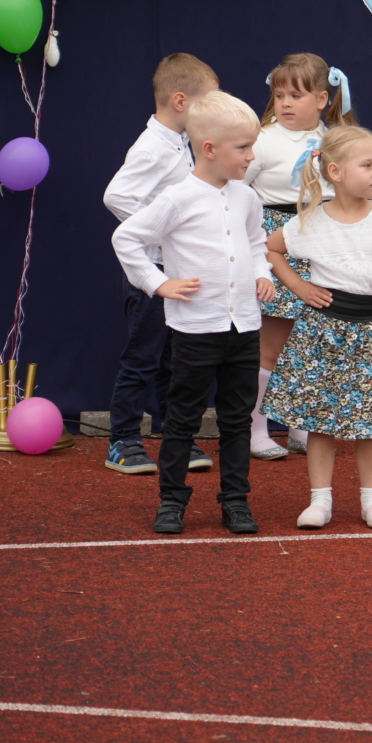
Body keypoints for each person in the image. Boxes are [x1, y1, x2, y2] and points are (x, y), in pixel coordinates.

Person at [111, 91, 276, 536]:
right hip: (195, 329)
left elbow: (256, 243)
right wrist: (157, 283)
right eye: (243, 147)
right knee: (183, 418)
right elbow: (126, 238)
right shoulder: (178, 197)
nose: (251, 156)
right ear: (209, 149)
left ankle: (235, 501)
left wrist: (263, 273)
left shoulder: (247, 198)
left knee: (237, 418)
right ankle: (172, 501)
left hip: (244, 326)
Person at [263, 126, 372, 530]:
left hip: (369, 334)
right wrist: (299, 286)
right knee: (320, 422)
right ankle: (319, 500)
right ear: (335, 172)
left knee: (369, 424)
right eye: (367, 165)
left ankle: (371, 500)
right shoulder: (310, 222)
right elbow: (271, 248)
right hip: (320, 334)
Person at [100, 53, 219, 478]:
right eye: (207, 103)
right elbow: (117, 196)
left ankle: (177, 436)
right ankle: (123, 441)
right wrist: (157, 231)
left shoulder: (179, 143)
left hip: (176, 272)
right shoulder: (153, 146)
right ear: (180, 101)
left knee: (175, 359)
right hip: (152, 274)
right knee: (143, 358)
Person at [245, 54, 359, 459]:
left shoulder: (335, 139)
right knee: (271, 347)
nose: (286, 103)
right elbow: (236, 190)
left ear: (323, 98)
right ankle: (256, 429)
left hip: (323, 246)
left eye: (296, 95)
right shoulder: (261, 139)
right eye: (279, 95)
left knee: (309, 346)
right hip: (278, 245)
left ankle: (300, 426)